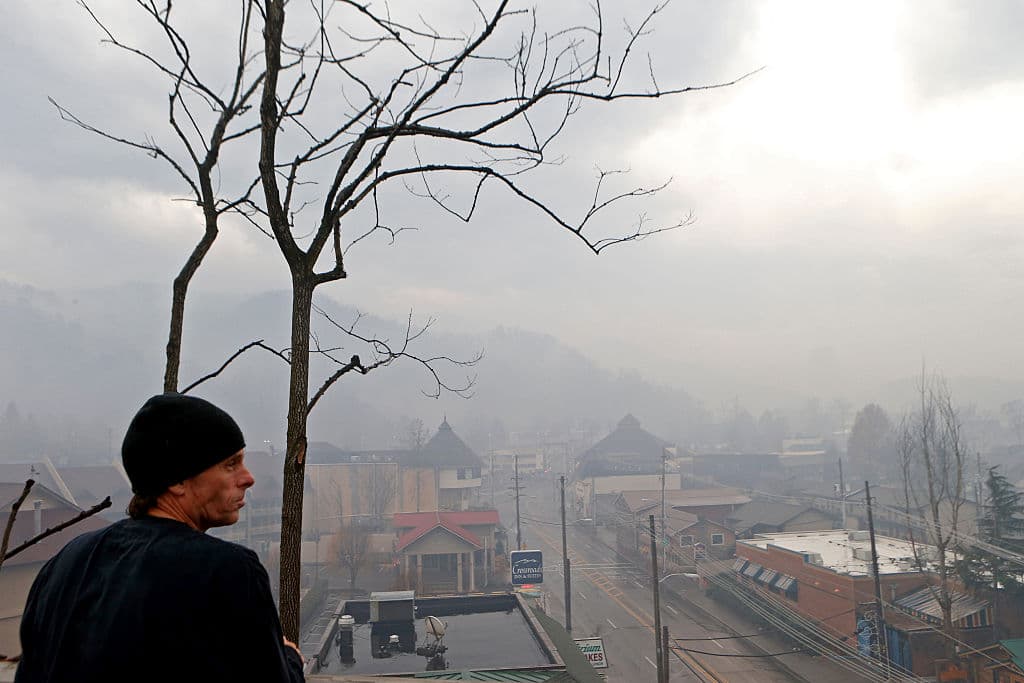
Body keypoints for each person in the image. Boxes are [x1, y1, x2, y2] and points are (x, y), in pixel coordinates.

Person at [15, 393, 304, 682]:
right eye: (231, 464)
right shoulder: (229, 571)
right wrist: (289, 658)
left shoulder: (66, 563)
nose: (248, 477)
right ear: (177, 480)